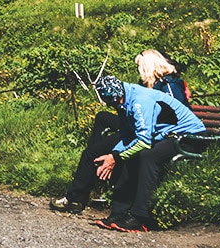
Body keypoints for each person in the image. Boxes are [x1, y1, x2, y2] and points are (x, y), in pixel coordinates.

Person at [50, 49, 192, 215]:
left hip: (152, 130)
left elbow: (168, 116)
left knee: (91, 152)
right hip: (140, 124)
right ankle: (96, 172)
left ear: (148, 67)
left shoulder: (168, 85)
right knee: (102, 118)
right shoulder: (151, 83)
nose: (138, 70)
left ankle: (78, 195)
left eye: (140, 66)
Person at [85, 75, 206, 232]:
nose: (116, 105)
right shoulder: (123, 103)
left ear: (120, 94)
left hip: (191, 136)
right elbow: (127, 137)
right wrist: (114, 154)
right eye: (111, 104)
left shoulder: (139, 101)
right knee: (129, 153)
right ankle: (119, 212)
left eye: (116, 101)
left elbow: (143, 142)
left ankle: (139, 217)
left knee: (148, 155)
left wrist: (115, 158)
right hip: (169, 136)